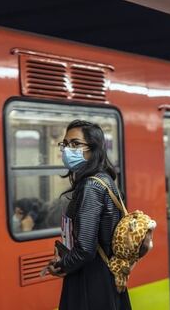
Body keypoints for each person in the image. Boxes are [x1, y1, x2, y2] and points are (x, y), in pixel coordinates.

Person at [46, 120, 132, 310]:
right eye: (65, 144)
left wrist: (61, 266)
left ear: (94, 149)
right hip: (102, 276)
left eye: (76, 144)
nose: (68, 149)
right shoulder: (104, 179)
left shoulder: (90, 186)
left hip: (91, 281)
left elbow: (85, 248)